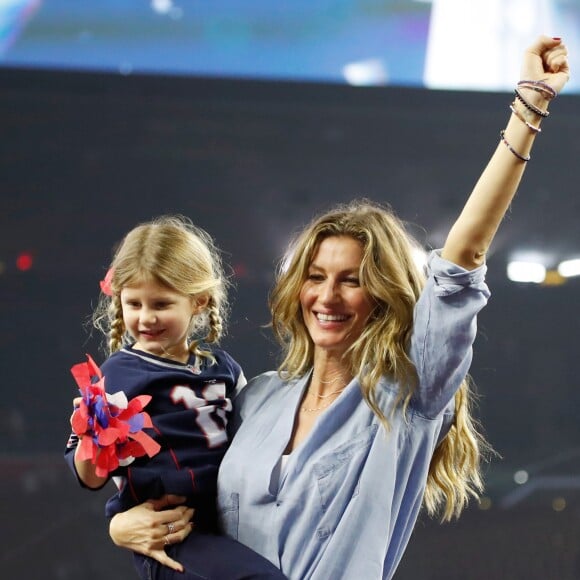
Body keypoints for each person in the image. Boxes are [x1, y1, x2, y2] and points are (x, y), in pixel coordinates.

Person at [106, 36, 570, 579]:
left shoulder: (406, 395)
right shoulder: (256, 398)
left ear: (382, 294)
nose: (327, 297)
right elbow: (177, 484)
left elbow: (463, 259)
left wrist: (530, 105)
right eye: (316, 277)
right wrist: (120, 523)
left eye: (352, 281)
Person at [64, 215, 286, 579]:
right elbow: (90, 479)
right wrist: (93, 431)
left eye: (161, 304)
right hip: (173, 534)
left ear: (198, 301)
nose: (146, 317)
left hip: (231, 523)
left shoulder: (222, 367)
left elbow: (255, 439)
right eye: (134, 304)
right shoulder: (117, 375)